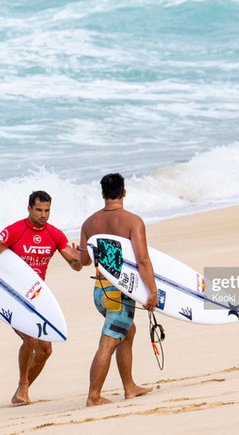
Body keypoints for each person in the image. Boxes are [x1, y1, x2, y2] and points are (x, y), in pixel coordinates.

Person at [0, 190, 82, 405]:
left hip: (36, 297)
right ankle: (23, 387)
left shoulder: (55, 234)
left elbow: (75, 265)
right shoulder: (15, 231)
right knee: (30, 338)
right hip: (11, 296)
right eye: (39, 210)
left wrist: (80, 257)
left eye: (47, 211)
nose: (43, 215)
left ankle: (21, 390)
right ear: (29, 208)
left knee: (46, 349)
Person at [76, 173, 158, 406]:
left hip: (100, 291)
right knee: (109, 341)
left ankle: (129, 386)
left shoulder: (89, 223)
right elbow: (142, 260)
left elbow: (83, 261)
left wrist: (75, 255)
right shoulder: (132, 221)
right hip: (120, 293)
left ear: (102, 194)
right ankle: (93, 396)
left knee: (128, 332)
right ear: (124, 192)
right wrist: (152, 292)